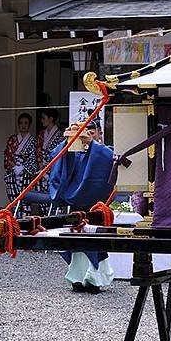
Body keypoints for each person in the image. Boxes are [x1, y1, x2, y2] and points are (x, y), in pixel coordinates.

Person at [50, 120, 115, 294]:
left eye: (92, 133)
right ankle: (77, 278)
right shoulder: (74, 151)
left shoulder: (103, 151)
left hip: (93, 209)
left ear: (98, 133)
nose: (88, 136)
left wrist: (91, 144)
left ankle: (94, 279)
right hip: (75, 208)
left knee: (94, 242)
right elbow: (56, 157)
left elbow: (108, 159)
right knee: (76, 244)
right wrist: (67, 141)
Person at [4, 112, 36, 216]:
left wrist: (23, 167)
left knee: (25, 198)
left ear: (29, 125)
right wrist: (15, 166)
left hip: (25, 173)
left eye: (26, 123)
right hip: (13, 173)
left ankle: (25, 221)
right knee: (14, 199)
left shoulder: (33, 141)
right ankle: (14, 221)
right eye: (21, 123)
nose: (23, 125)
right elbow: (8, 154)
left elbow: (34, 157)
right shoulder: (12, 139)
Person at [36, 109, 63, 215]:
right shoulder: (41, 135)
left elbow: (59, 155)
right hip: (42, 170)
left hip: (53, 170)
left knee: (53, 195)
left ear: (51, 119)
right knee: (41, 195)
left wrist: (49, 168)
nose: (42, 121)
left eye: (44, 118)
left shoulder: (60, 136)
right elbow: (37, 151)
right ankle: (43, 217)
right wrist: (41, 165)